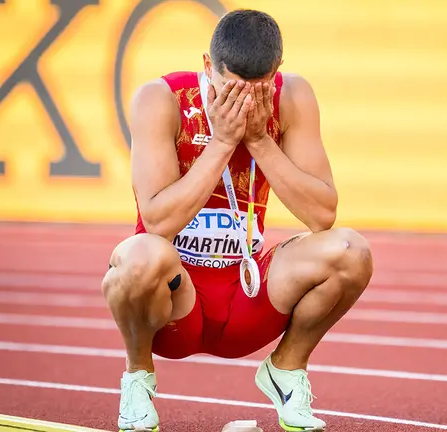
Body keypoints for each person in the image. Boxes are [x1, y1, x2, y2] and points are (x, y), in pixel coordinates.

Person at [101, 8, 373, 432]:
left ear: (277, 71)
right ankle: (138, 377)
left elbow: (322, 214)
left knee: (351, 251)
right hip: (173, 304)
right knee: (138, 256)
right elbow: (157, 222)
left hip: (245, 296)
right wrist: (223, 141)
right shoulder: (161, 99)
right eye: (232, 88)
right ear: (208, 66)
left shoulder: (292, 96)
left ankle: (286, 369)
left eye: (258, 89)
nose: (245, 102)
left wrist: (261, 140)